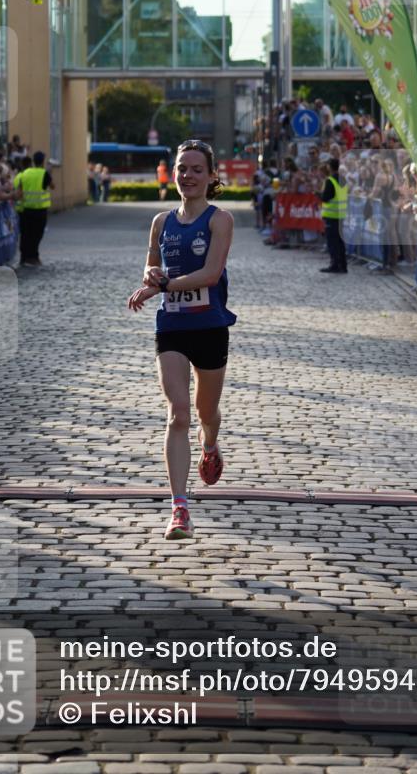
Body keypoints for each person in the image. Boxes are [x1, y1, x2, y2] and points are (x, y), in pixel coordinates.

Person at [127, 139, 236, 540]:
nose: (186, 176)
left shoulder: (219, 219)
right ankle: (179, 509)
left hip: (209, 326)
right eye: (181, 168)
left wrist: (164, 285)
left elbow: (210, 274)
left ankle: (210, 445)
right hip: (172, 326)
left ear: (210, 177)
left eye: (195, 169)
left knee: (206, 413)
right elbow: (152, 264)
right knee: (178, 414)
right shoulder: (161, 221)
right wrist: (151, 277)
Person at [14, 150, 54, 266]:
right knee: (37, 234)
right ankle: (33, 256)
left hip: (26, 209)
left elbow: (19, 189)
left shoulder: (25, 173)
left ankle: (24, 257)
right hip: (40, 210)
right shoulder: (44, 173)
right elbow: (52, 186)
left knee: (26, 234)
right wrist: (50, 172)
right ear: (42, 161)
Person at [320, 157, 348, 273]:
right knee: (340, 242)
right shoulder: (343, 179)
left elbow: (326, 198)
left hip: (331, 216)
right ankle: (343, 265)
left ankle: (335, 264)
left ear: (329, 167)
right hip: (341, 214)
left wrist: (318, 194)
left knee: (332, 242)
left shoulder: (330, 181)